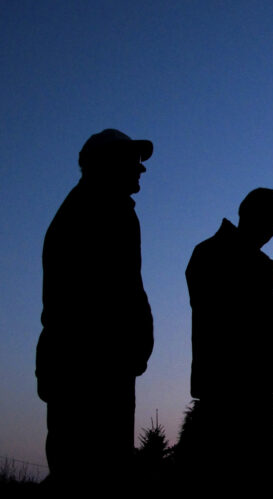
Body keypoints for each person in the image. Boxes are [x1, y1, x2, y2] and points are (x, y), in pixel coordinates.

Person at [36, 129, 154, 491]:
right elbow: (99, 297)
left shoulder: (107, 208)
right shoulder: (94, 211)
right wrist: (127, 344)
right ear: (107, 164)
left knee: (100, 471)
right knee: (87, 474)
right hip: (89, 367)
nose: (140, 170)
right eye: (132, 162)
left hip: (103, 365)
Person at [184, 188, 273, 493]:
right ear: (255, 217)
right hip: (236, 400)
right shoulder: (229, 256)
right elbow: (236, 331)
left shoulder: (222, 253)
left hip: (237, 394)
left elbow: (240, 313)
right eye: (272, 225)